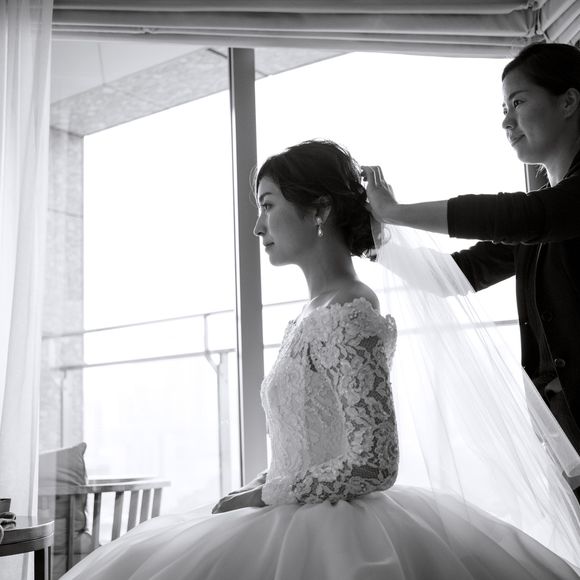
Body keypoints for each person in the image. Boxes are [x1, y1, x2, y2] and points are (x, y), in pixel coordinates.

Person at [60, 140, 580, 580]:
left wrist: (267, 495)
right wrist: (264, 483)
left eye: (267, 205)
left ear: (319, 211)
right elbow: (311, 444)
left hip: (339, 535)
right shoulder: (315, 312)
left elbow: (374, 462)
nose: (257, 227)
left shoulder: (350, 311)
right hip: (293, 507)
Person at [363, 42, 580, 496]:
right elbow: (455, 276)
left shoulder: (554, 209)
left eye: (518, 102)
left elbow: (524, 217)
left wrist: (397, 212)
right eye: (503, 109)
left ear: (568, 101)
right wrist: (368, 239)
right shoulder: (543, 218)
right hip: (564, 433)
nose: (506, 122)